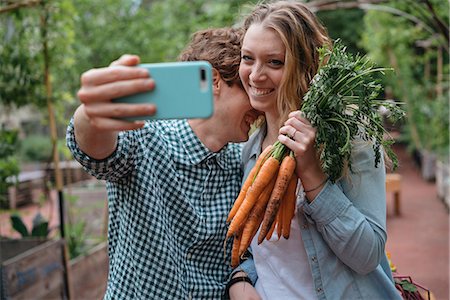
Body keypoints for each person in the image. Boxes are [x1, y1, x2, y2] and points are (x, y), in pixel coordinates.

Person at [66, 27, 261, 299]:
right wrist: (92, 112)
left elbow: (248, 252)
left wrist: (241, 279)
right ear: (215, 81)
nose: (257, 104)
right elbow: (94, 152)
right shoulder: (146, 139)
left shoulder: (243, 162)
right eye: (247, 88)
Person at [227, 2, 402, 299]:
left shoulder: (349, 139)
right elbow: (263, 251)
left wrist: (311, 173)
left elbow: (367, 256)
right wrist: (242, 279)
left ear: (305, 65)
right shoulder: (248, 149)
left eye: (274, 62)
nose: (255, 75)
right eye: (248, 58)